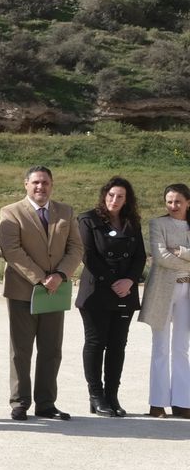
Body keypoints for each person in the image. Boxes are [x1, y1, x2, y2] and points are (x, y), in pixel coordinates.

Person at [0, 166, 84, 421]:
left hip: (55, 291)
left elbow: (76, 248)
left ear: (52, 185)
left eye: (45, 183)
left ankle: (46, 403)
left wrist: (60, 275)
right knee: (21, 350)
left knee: (51, 349)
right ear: (26, 184)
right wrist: (40, 278)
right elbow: (11, 251)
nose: (40, 187)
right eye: (35, 182)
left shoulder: (65, 212)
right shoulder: (11, 213)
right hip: (24, 291)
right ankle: (20, 402)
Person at [77, 177, 145, 417]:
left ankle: (112, 395)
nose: (115, 200)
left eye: (120, 196)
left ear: (127, 200)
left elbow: (140, 257)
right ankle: (96, 396)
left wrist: (129, 281)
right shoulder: (88, 219)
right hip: (97, 291)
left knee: (118, 345)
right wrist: (113, 281)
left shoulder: (131, 222)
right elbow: (88, 255)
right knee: (96, 344)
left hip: (125, 291)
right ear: (104, 195)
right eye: (111, 195)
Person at [141, 183, 190, 418]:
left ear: (188, 202)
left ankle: (182, 401)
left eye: (178, 201)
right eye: (169, 201)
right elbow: (161, 257)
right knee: (160, 347)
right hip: (163, 290)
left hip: (187, 292)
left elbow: (172, 254)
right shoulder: (157, 224)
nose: (173, 206)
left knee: (181, 348)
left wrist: (181, 251)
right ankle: (157, 402)